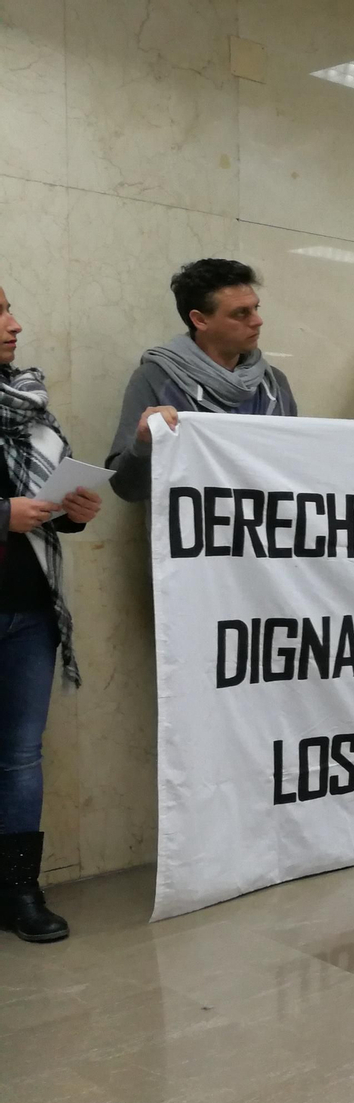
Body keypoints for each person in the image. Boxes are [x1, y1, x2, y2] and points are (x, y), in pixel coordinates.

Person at [1, 284, 102, 942]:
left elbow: (48, 495)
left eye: (9, 307)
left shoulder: (28, 399)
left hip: (28, 611)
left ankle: (19, 892)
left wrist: (71, 513)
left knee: (18, 758)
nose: (14, 324)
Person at [106, 259, 297, 501]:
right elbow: (126, 488)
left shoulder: (274, 384)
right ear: (200, 320)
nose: (257, 321)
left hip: (268, 533)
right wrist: (144, 443)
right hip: (192, 535)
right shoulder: (156, 378)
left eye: (256, 308)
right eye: (241, 313)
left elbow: (293, 470)